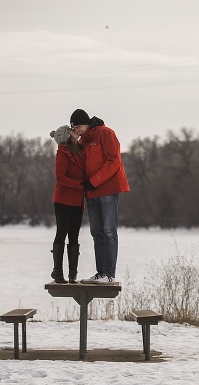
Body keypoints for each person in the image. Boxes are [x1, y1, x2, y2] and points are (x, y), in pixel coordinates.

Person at [67, 108, 130, 284]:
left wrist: (95, 180)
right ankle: (101, 272)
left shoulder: (105, 133)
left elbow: (114, 161)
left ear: (86, 123)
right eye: (74, 128)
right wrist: (72, 139)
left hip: (107, 189)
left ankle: (108, 275)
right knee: (96, 232)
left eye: (78, 126)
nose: (77, 130)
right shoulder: (83, 141)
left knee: (108, 231)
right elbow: (74, 160)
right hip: (91, 192)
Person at [49, 125, 86, 284]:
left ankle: (73, 275)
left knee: (74, 236)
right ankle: (58, 273)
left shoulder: (79, 150)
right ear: (66, 136)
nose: (75, 131)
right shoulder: (62, 154)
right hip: (63, 199)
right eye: (71, 130)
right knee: (62, 233)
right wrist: (81, 184)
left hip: (77, 200)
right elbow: (60, 178)